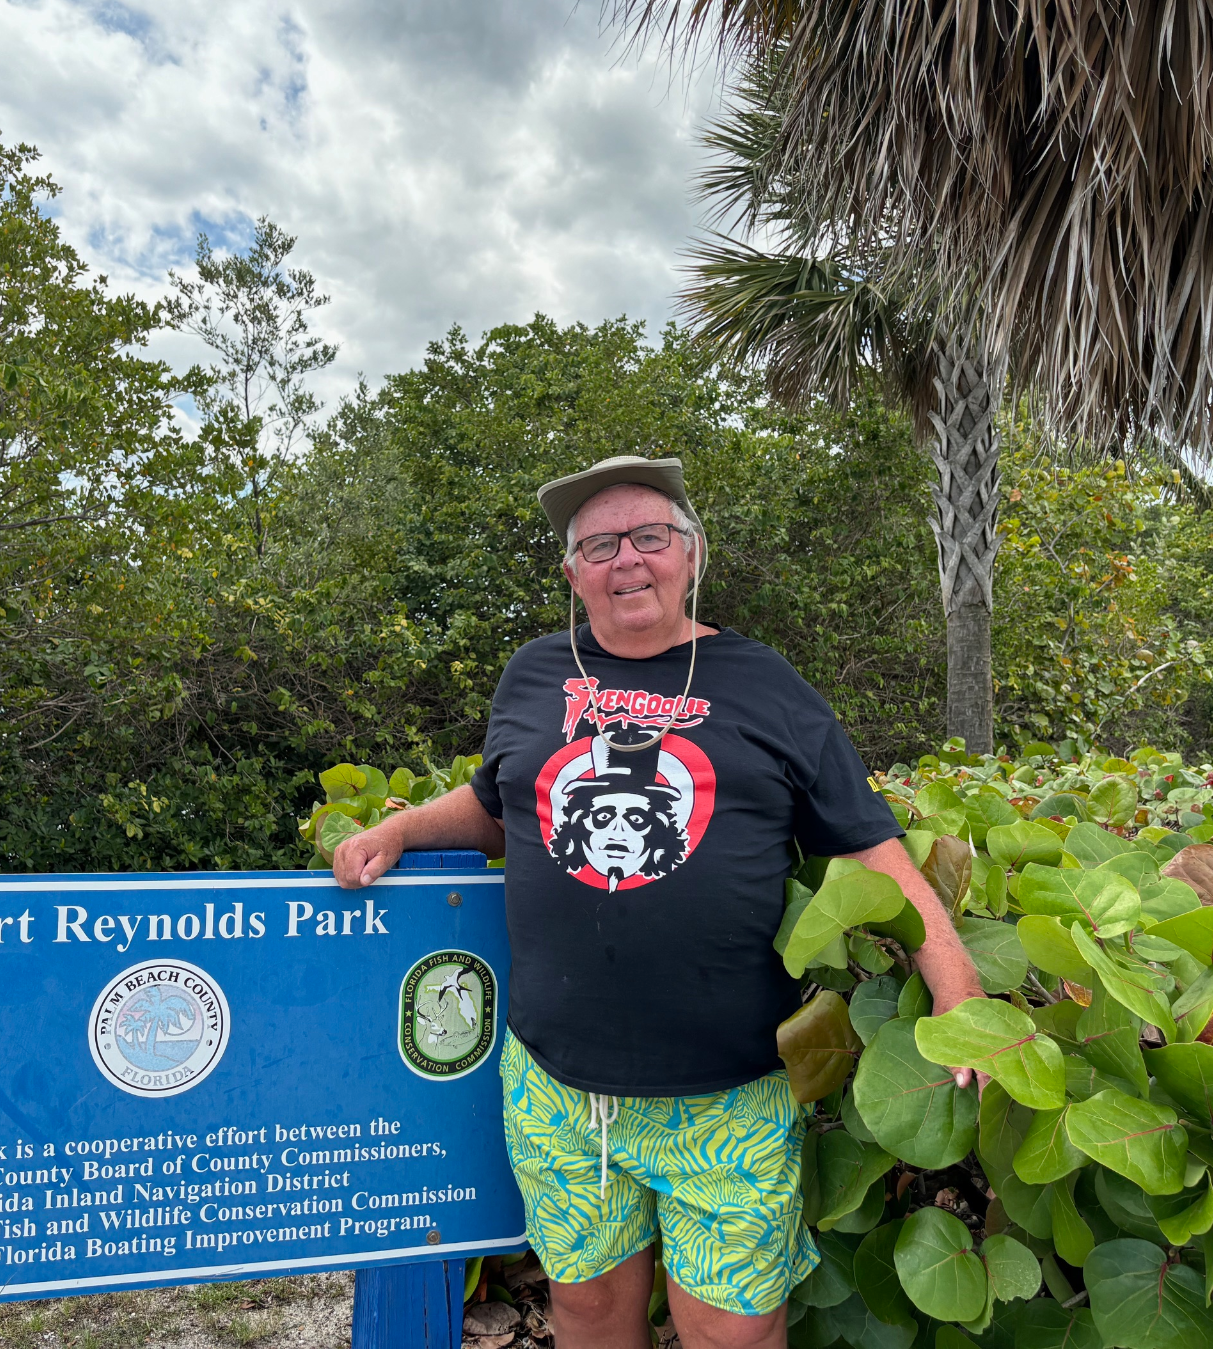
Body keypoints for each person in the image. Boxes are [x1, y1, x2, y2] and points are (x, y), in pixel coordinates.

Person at [332, 455, 986, 1349]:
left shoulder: (764, 681)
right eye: (600, 545)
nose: (627, 559)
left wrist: (956, 983)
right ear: (573, 573)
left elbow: (867, 845)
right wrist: (402, 829)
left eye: (649, 536)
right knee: (588, 1314)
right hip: (557, 1085)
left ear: (691, 554)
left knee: (731, 1333)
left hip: (729, 1089)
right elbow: (499, 802)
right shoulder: (532, 673)